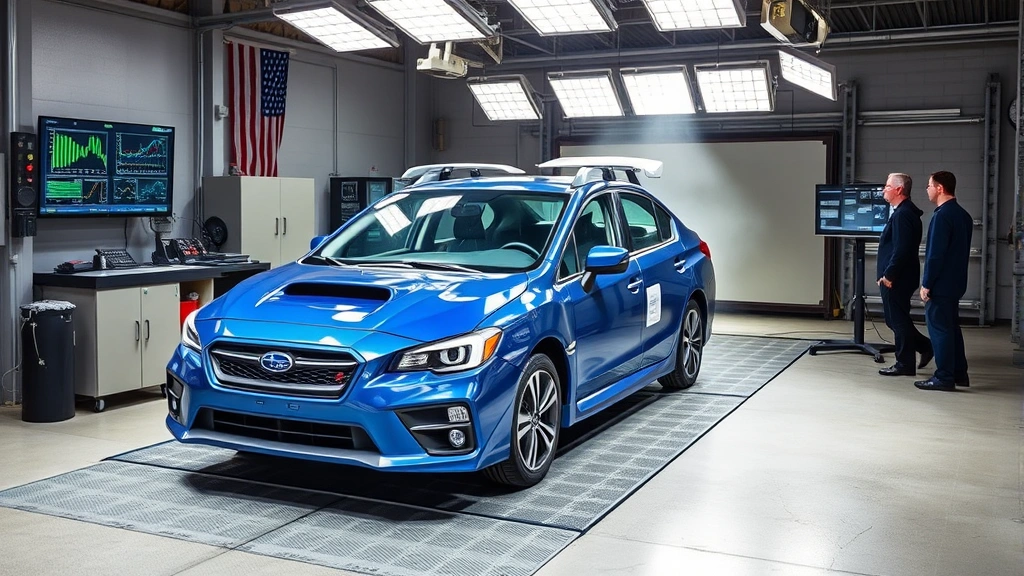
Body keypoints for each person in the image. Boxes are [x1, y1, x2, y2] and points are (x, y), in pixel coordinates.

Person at [916, 171, 973, 391]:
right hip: (956, 283)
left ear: (940, 188)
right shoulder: (963, 215)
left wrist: (927, 283)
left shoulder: (941, 216)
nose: (927, 189)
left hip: (940, 285)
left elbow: (935, 255)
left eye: (929, 185)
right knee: (951, 329)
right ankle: (959, 373)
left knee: (939, 331)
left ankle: (944, 377)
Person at [875, 173, 932, 377]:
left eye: (887, 186)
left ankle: (905, 363)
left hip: (898, 278)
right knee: (895, 320)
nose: (884, 189)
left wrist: (889, 274)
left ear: (899, 190)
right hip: (897, 277)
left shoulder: (903, 214)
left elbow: (902, 249)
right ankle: (925, 346)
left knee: (897, 320)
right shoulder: (903, 212)